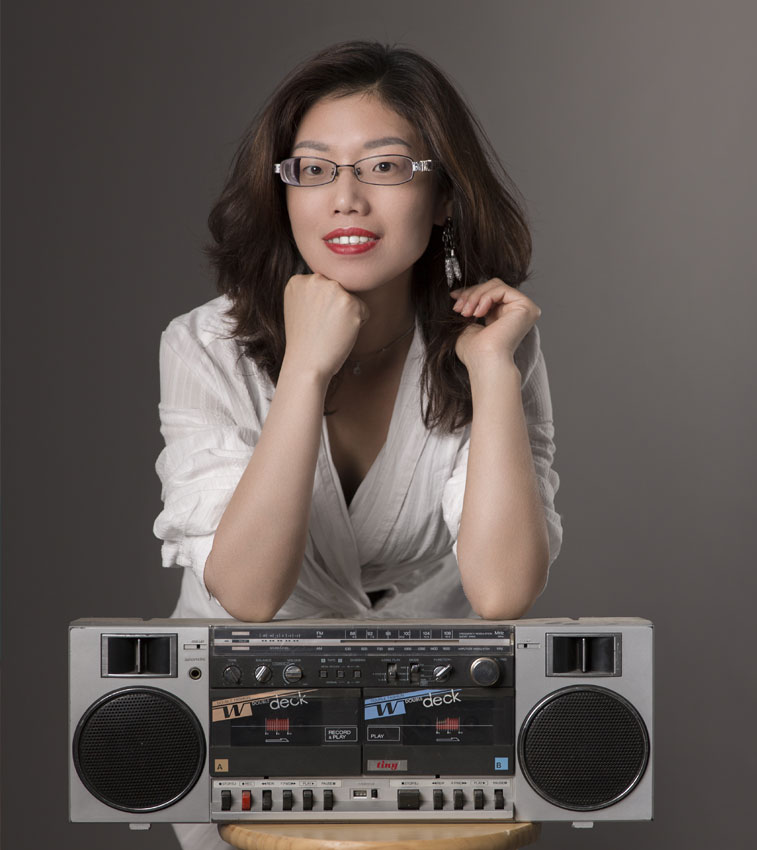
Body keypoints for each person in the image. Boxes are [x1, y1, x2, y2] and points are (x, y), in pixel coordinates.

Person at [154, 39, 562, 850]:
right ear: (285, 192)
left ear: (442, 195)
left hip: (437, 724)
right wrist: (304, 371)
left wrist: (489, 371)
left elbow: (504, 591)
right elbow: (248, 594)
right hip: (241, 726)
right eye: (313, 169)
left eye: (384, 167)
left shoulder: (497, 339)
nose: (345, 199)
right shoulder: (203, 345)